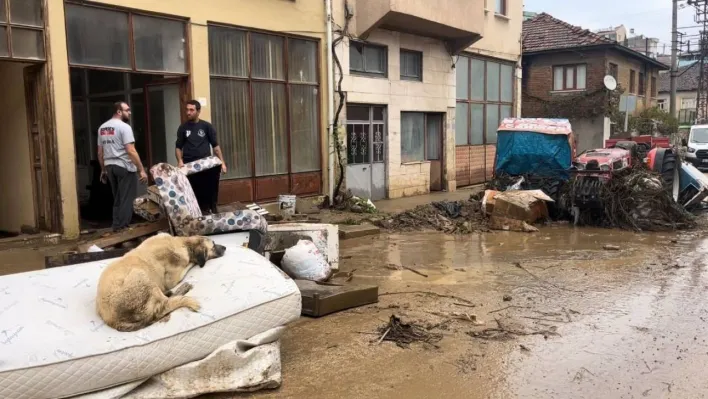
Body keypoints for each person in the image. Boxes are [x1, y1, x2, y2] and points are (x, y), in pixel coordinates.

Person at [97, 101, 148, 232]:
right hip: (124, 166)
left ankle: (116, 225)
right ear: (119, 112)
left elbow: (100, 152)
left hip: (110, 166)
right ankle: (123, 227)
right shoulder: (124, 127)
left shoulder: (102, 128)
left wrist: (103, 170)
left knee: (118, 197)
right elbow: (130, 150)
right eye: (127, 110)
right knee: (127, 197)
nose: (130, 112)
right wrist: (141, 169)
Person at [175, 100, 227, 214]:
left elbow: (216, 146)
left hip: (205, 165)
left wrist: (222, 163)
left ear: (198, 111)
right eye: (187, 110)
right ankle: (199, 212)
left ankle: (213, 207)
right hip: (190, 166)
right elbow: (178, 147)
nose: (188, 112)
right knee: (194, 190)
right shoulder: (183, 128)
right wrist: (180, 161)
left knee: (211, 186)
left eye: (191, 110)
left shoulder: (206, 126)